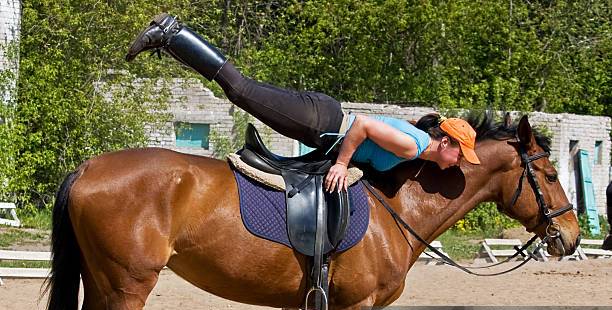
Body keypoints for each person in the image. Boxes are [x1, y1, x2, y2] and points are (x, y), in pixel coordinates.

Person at [126, 13, 481, 192]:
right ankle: (172, 33)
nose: (458, 164)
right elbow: (364, 126)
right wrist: (342, 165)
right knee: (240, 90)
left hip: (322, 123)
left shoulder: (415, 152)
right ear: (446, 142)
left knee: (241, 89)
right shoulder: (412, 145)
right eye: (460, 155)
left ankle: (172, 39)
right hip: (321, 122)